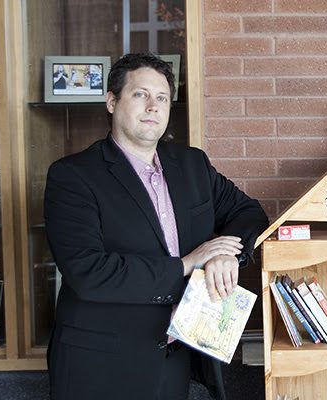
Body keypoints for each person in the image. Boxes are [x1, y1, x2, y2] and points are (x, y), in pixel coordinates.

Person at [44, 53, 269, 400]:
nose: (153, 106)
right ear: (111, 101)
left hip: (174, 356)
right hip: (101, 362)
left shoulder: (192, 164)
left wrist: (224, 254)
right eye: (140, 95)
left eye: (162, 98)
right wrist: (187, 262)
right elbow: (89, 272)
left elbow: (248, 212)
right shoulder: (72, 176)